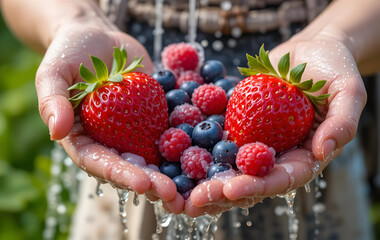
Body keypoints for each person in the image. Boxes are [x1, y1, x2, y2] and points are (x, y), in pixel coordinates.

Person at [1, 0, 379, 239]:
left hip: (305, 106)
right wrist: (73, 20)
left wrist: (338, 38)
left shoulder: (281, 107)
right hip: (123, 83)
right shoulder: (130, 99)